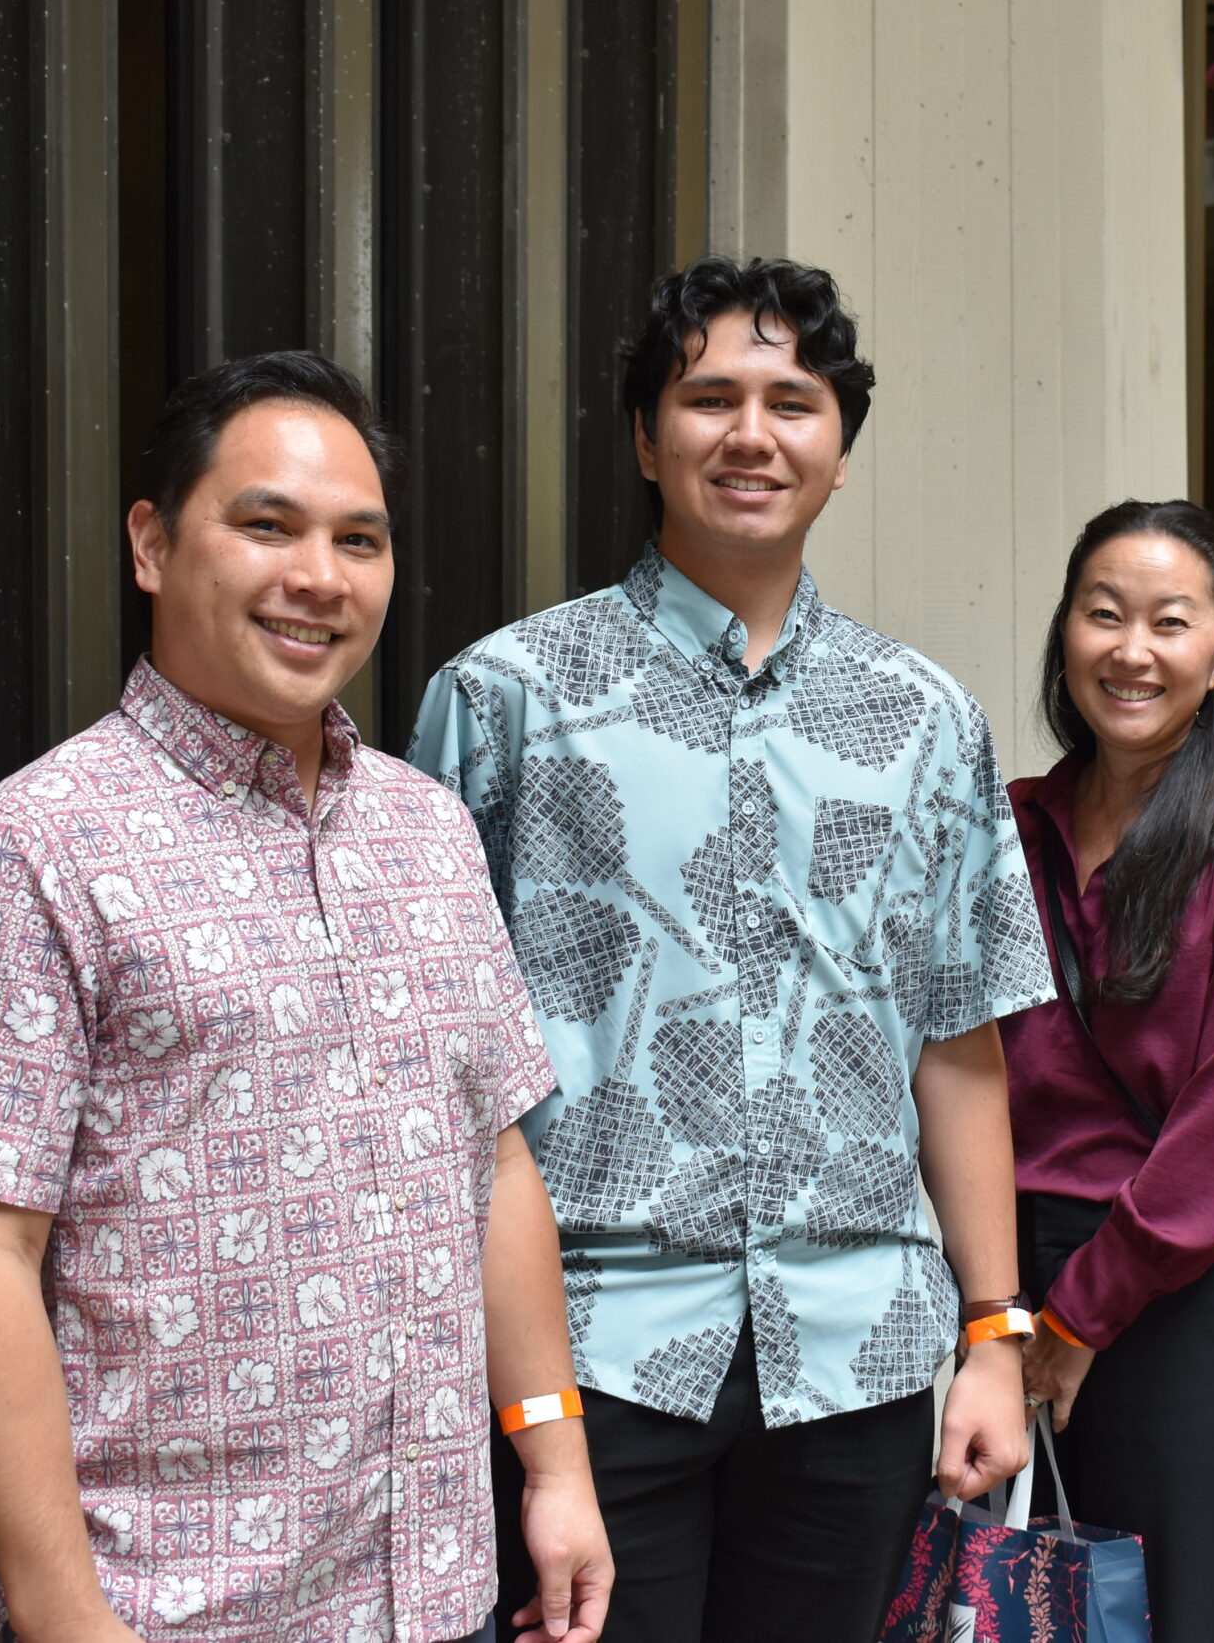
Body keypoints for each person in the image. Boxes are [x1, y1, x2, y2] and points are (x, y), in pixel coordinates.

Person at [0, 353, 610, 1643]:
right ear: (152, 543)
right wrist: (61, 1615)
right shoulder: (30, 854)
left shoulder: (427, 831)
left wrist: (553, 1466)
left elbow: (491, 1161)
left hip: (433, 1589)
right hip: (173, 1606)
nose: (319, 575)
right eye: (266, 524)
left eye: (358, 539)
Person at [408, 256, 1051, 1642]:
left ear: (838, 450)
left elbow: (960, 1046)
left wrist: (995, 1337)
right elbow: (439, 1074)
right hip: (591, 1363)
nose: (750, 434)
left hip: (858, 1359)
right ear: (647, 439)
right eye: (708, 398)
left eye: (792, 401)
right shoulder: (504, 699)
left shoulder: (928, 720)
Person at [999, 501, 1214, 1638]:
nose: (1130, 650)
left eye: (1168, 621)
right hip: (1018, 1292)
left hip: (1192, 1315)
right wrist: (992, 1312)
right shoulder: (1008, 827)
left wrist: (1073, 1323)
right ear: (1064, 635)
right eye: (1103, 614)